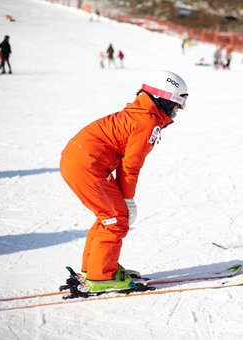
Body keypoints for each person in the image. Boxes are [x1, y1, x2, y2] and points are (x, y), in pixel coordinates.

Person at [60, 70, 188, 293]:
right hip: (88, 164)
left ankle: (95, 269)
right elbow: (131, 166)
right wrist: (127, 200)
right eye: (177, 104)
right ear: (164, 99)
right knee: (116, 218)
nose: (177, 110)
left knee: (109, 216)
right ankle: (101, 277)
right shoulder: (147, 122)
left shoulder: (141, 113)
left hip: (82, 160)